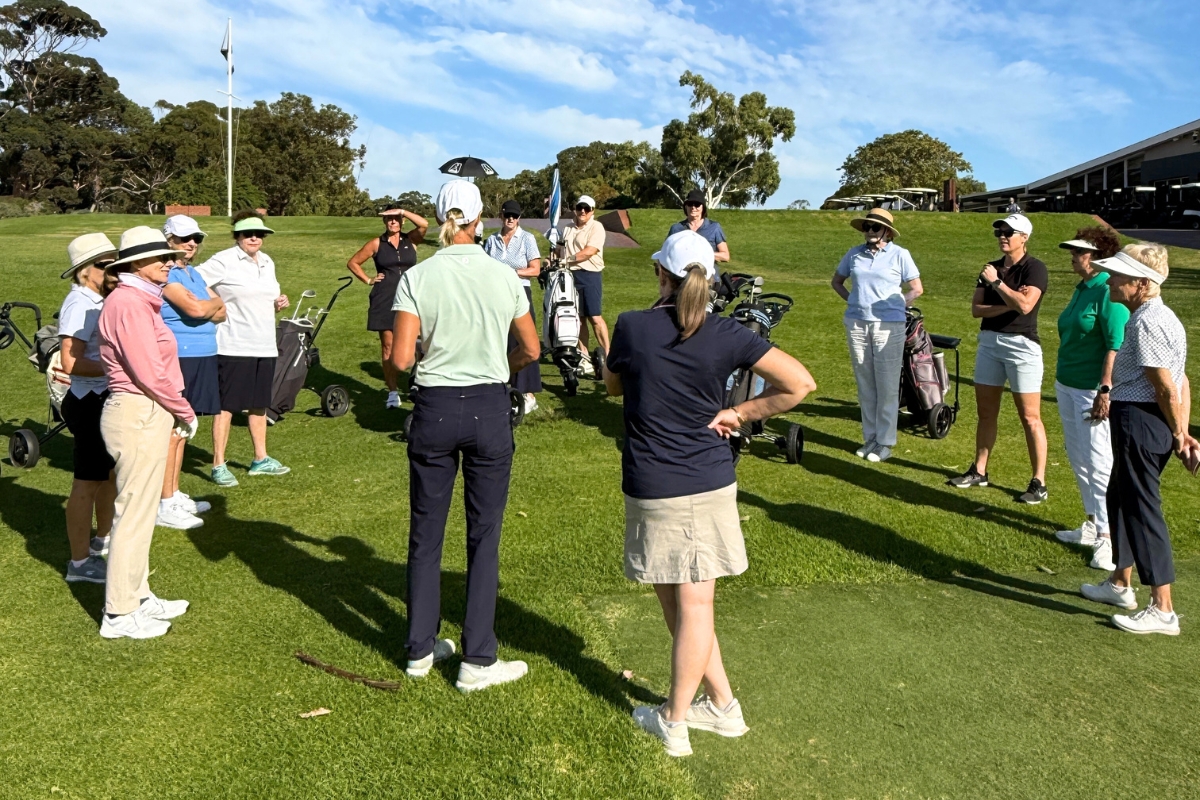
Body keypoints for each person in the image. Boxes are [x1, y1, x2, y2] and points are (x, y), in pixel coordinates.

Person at [604, 230, 816, 757]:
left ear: (662, 276)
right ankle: (721, 705)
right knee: (685, 603)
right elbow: (798, 384)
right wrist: (742, 414)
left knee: (689, 605)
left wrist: (741, 411)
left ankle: (675, 720)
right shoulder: (728, 334)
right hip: (696, 480)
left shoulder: (633, 326)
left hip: (660, 484)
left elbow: (612, 387)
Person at [390, 180, 541, 692]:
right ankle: (477, 657)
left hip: (434, 406)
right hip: (488, 405)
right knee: (484, 535)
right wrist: (502, 366)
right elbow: (531, 348)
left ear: (439, 218)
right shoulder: (501, 276)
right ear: (481, 221)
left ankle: (419, 649)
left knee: (425, 534)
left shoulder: (418, 275)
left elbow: (402, 359)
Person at [1080, 244, 1199, 635]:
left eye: (1119, 275)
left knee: (1142, 507)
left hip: (1142, 422)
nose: (1110, 280)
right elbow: (1182, 380)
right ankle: (1119, 582)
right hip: (1144, 420)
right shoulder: (1155, 316)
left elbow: (1166, 385)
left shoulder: (1147, 321)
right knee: (1120, 496)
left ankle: (1162, 608)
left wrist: (1181, 432)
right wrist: (1182, 428)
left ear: (1143, 284)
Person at [96, 227, 198, 639]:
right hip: (137, 411)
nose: (171, 263)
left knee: (140, 514)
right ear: (138, 264)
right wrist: (184, 410)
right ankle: (119, 614)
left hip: (146, 410)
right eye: (162, 258)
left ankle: (137, 595)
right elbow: (147, 371)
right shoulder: (129, 303)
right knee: (134, 515)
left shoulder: (139, 300)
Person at [948, 214, 1049, 504]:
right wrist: (1009, 301)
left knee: (1030, 417)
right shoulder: (990, 268)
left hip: (1022, 346)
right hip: (989, 343)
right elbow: (977, 310)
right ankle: (979, 470)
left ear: (1024, 238)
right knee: (986, 413)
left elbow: (1026, 306)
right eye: (999, 232)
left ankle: (1038, 481)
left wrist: (998, 286)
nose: (1002, 236)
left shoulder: (1035, 268)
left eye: (1009, 232)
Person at [194, 211, 290, 486]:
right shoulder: (224, 260)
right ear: (237, 235)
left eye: (259, 234)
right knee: (226, 406)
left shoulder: (267, 262)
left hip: (264, 344)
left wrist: (277, 301)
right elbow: (193, 280)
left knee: (259, 404)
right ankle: (218, 464)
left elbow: (266, 295)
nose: (254, 238)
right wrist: (217, 302)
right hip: (233, 345)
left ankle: (260, 459)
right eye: (248, 234)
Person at [1051, 227, 1127, 571]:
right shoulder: (1083, 288)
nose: (1073, 256)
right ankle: (1093, 522)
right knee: (1079, 457)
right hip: (1067, 384)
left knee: (1099, 462)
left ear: (1097, 258)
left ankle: (1108, 537)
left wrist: (1105, 389)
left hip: (1092, 390)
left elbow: (1115, 343)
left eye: (1079, 252)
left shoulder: (1108, 291)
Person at [830, 208, 923, 463]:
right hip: (857, 324)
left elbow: (917, 289)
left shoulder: (899, 255)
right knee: (865, 383)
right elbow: (836, 282)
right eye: (866, 227)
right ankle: (870, 437)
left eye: (874, 227)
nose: (869, 231)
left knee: (887, 384)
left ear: (887, 232)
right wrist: (854, 303)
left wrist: (896, 304)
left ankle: (885, 442)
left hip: (888, 326)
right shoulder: (854, 254)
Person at [57, 233, 119, 584]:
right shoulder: (80, 302)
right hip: (88, 401)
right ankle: (79, 564)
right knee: (87, 482)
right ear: (84, 271)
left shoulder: (99, 298)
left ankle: (102, 539)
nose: (113, 269)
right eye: (105, 263)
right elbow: (70, 361)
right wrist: (121, 367)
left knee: (108, 475)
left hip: (104, 397)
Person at [157, 215, 226, 530]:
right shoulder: (167, 273)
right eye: (185, 238)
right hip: (180, 357)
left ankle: (173, 493)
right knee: (174, 430)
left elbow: (222, 310)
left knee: (185, 428)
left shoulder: (193, 273)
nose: (192, 244)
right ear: (168, 238)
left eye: (196, 239)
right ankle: (164, 501)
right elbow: (201, 309)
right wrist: (205, 305)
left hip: (203, 354)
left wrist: (206, 305)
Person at [345, 205, 428, 408]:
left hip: (411, 297)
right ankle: (392, 392)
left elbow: (424, 224)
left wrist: (403, 211)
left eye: (396, 219)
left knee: (421, 343)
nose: (393, 222)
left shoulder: (411, 240)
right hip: (385, 298)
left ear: (402, 221)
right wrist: (368, 280)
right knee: (388, 346)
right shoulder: (376, 243)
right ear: (384, 222)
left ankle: (418, 382)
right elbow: (353, 262)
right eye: (389, 219)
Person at [484, 199, 543, 414]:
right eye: (507, 215)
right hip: (496, 295)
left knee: (524, 340)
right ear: (502, 216)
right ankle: (503, 386)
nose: (511, 219)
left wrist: (512, 272)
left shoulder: (526, 239)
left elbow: (535, 269)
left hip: (520, 293)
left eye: (515, 216)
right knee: (500, 339)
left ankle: (528, 393)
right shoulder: (491, 240)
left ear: (519, 218)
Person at [560, 194, 609, 357]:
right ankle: (584, 356)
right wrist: (551, 259)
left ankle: (608, 355)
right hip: (570, 276)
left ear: (592, 210)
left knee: (594, 317)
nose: (582, 211)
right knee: (578, 319)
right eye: (579, 207)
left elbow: (589, 251)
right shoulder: (567, 228)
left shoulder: (596, 227)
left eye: (586, 208)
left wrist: (567, 260)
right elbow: (559, 250)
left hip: (590, 275)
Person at [667, 188, 730, 261]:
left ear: (703, 207)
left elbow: (725, 256)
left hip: (708, 271)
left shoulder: (714, 227)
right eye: (690, 204)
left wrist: (701, 254)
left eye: (697, 204)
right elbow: (666, 252)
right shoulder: (676, 228)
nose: (693, 207)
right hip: (681, 271)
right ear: (686, 206)